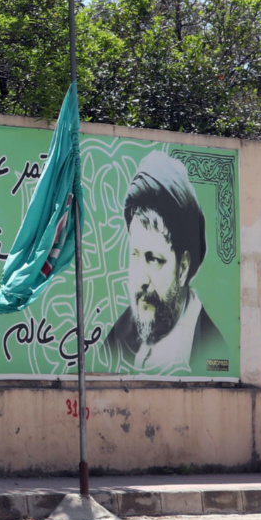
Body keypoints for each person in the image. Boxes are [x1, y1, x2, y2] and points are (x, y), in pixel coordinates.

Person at [102, 152, 227, 375]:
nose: (141, 279)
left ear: (183, 268)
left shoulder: (209, 346)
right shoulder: (115, 340)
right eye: (135, 255)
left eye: (154, 259)